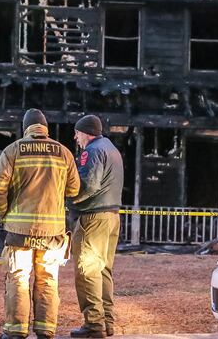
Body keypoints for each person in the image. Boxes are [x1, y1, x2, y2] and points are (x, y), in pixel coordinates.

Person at [0, 108, 81, 339]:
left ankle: (15, 331)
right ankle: (45, 329)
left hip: (20, 231)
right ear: (45, 128)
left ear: (26, 128)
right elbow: (74, 189)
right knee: (47, 279)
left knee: (18, 278)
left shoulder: (13, 150)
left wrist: (3, 214)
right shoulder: (63, 152)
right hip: (53, 233)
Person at [68, 115, 124, 338]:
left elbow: (88, 185)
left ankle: (94, 324)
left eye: (77, 133)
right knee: (103, 270)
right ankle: (107, 321)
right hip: (112, 217)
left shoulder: (91, 152)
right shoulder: (111, 149)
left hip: (93, 218)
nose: (76, 138)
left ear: (86, 132)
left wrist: (68, 200)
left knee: (87, 270)